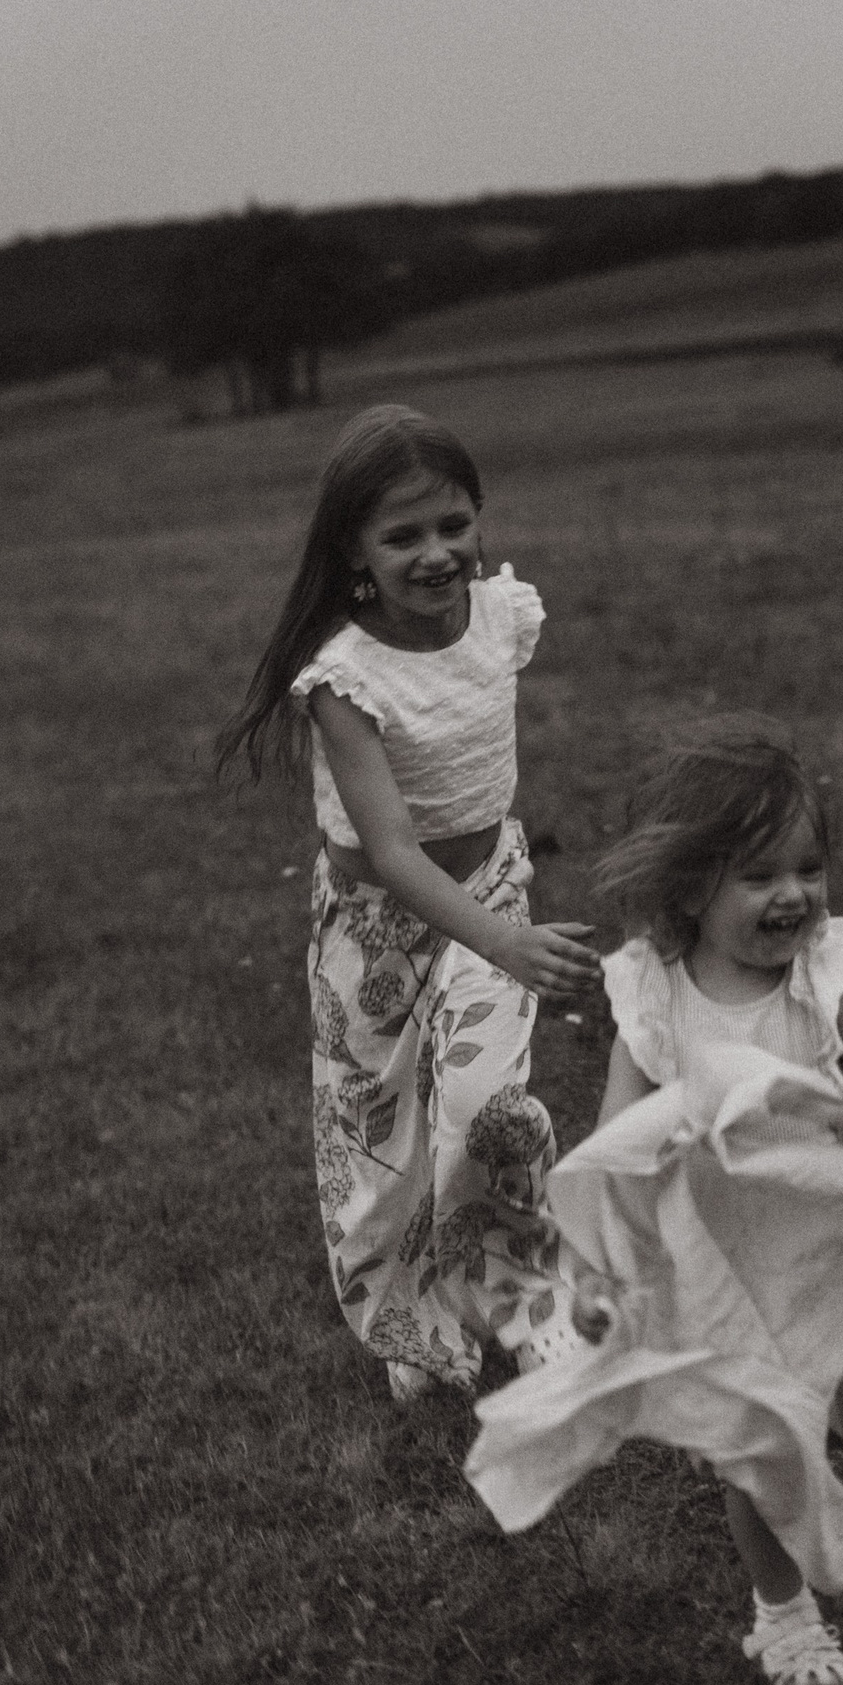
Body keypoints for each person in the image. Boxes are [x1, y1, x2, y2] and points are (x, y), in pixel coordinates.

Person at [464, 720, 843, 1685]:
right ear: (692, 888)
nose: (795, 896)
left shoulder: (828, 975)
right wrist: (600, 1271)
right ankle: (782, 1613)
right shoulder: (655, 998)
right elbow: (617, 1143)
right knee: (762, 1438)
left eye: (809, 869)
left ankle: (829, 1450)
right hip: (719, 1262)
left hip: (828, 1244)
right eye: (761, 876)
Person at [218, 405, 600, 1406]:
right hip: (376, 932)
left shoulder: (502, 615)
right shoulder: (343, 676)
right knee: (381, 1149)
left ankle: (529, 1304)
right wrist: (509, 944)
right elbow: (390, 851)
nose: (436, 554)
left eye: (453, 525)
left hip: (489, 895)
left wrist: (499, 932)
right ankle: (415, 1321)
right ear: (356, 549)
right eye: (403, 536)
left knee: (488, 1115)